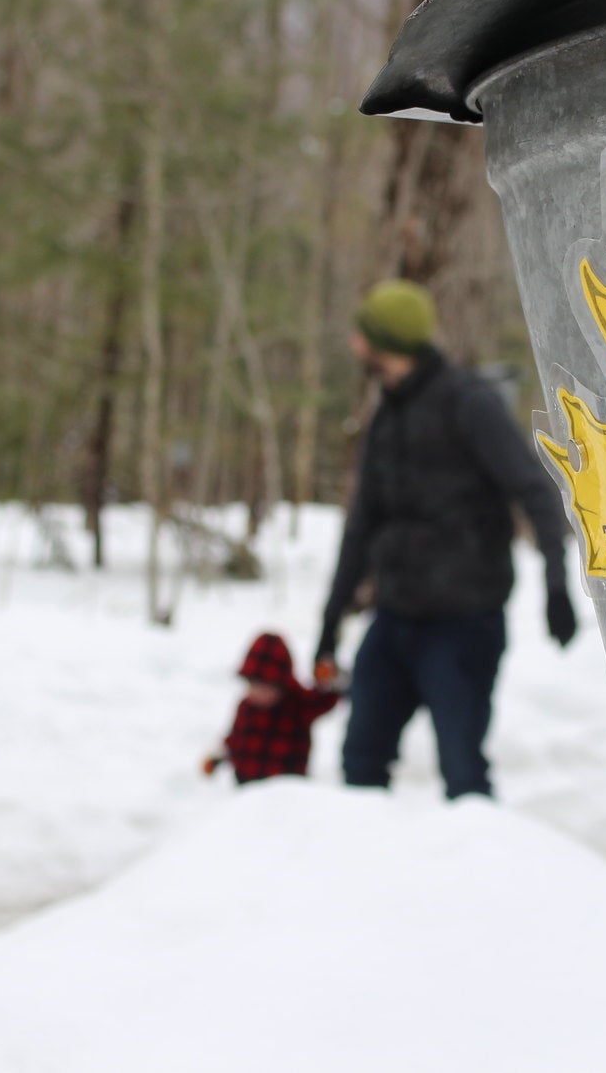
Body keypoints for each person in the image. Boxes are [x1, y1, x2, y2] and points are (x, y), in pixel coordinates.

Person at [315, 279, 575, 800]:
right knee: (359, 764)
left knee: (463, 774)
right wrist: (329, 627)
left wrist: (556, 586)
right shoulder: (386, 416)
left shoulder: (469, 403)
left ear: (383, 342)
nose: (353, 343)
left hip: (464, 626)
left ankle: (474, 872)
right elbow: (361, 526)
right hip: (393, 622)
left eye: (362, 333)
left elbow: (537, 492)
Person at [202, 632, 342, 784]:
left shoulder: (298, 704)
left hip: (285, 789)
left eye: (266, 688)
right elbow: (236, 738)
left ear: (282, 683)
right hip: (246, 785)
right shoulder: (246, 707)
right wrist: (218, 757)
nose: (259, 694)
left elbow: (325, 700)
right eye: (253, 685)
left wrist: (329, 679)